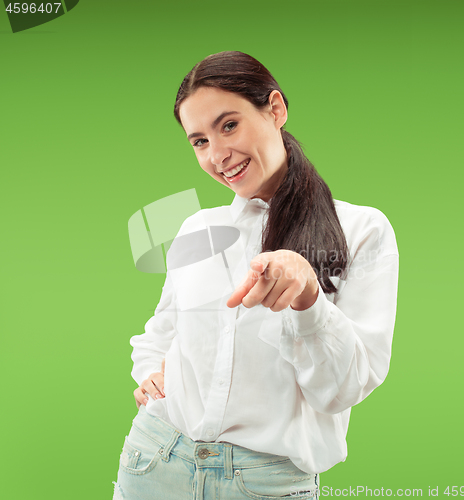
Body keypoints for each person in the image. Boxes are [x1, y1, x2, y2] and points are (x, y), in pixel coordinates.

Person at [113, 51, 399, 500]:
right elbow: (163, 330)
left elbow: (344, 388)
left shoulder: (362, 231)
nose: (218, 155)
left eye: (229, 125)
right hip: (155, 461)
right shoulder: (197, 229)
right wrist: (150, 369)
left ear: (276, 109)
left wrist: (309, 300)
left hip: (264, 483)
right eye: (199, 141)